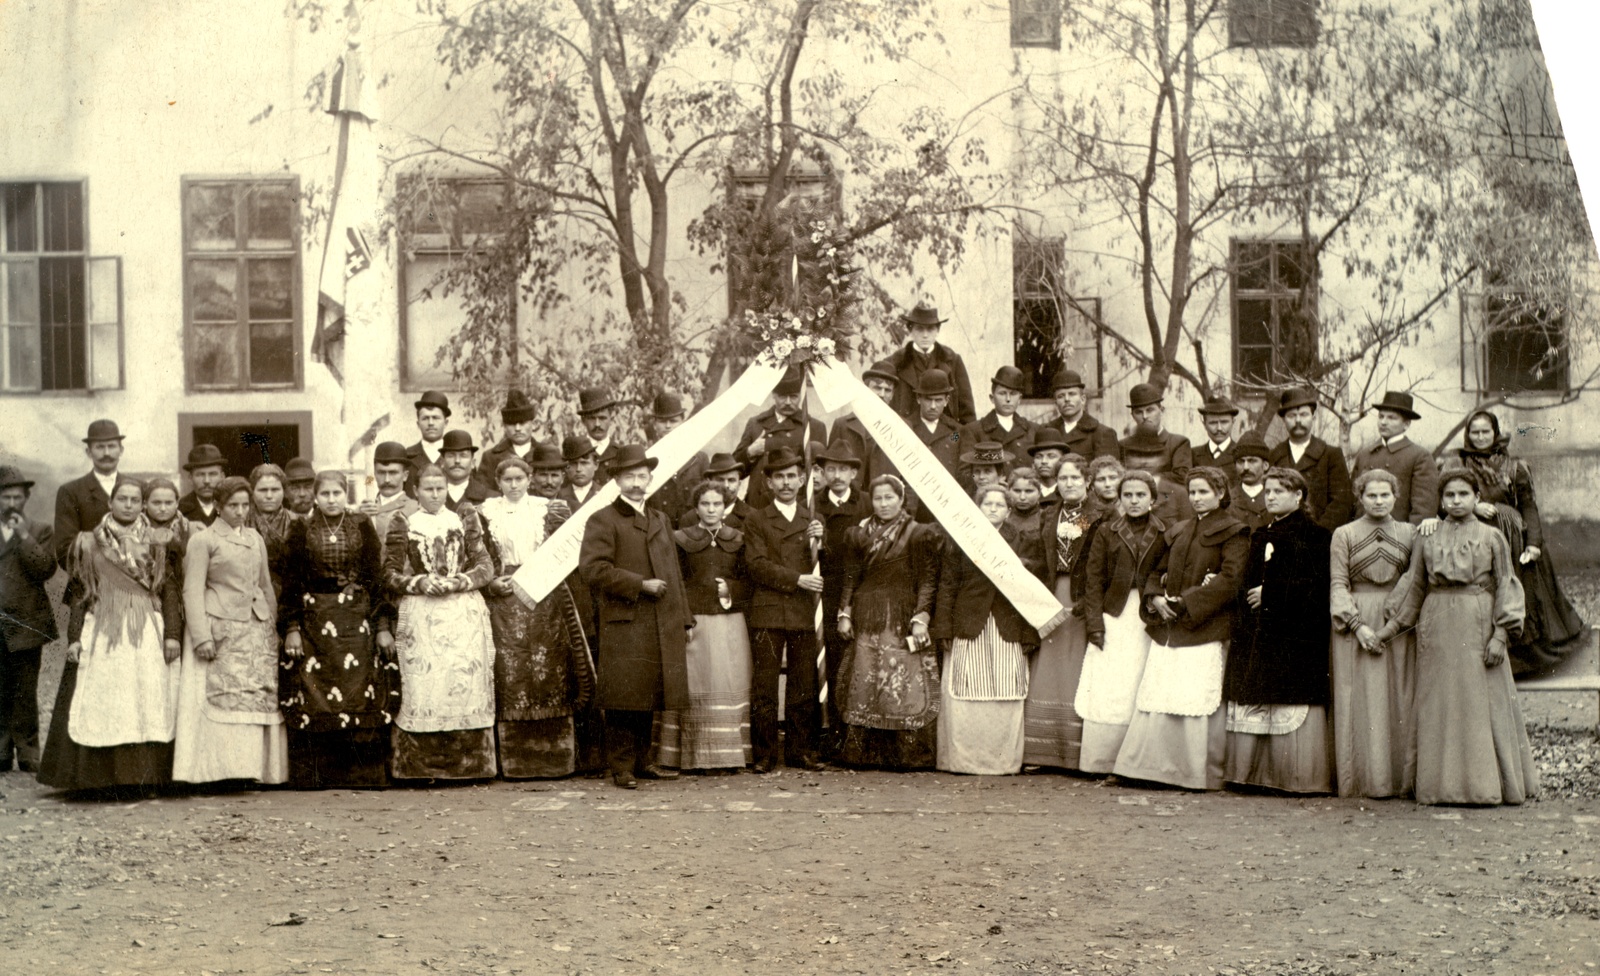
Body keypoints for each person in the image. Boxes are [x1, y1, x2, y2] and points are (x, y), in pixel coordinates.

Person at [1377, 467, 1537, 806]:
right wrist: (1391, 628)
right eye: (1449, 495)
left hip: (1477, 619)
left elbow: (1507, 583)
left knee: (1480, 702)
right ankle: (1437, 787)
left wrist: (1501, 635)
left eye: (1464, 494)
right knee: (1439, 703)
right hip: (1437, 623)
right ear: (1441, 500)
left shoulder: (1493, 537)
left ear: (1478, 498)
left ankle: (1487, 786)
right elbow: (1415, 584)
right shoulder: (1428, 536)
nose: (1456, 500)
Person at [37, 478, 182, 792]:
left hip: (146, 629)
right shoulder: (90, 542)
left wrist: (172, 634)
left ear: (142, 504)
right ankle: (99, 779)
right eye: (122, 499)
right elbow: (81, 592)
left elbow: (169, 589)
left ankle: (144, 777)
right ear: (111, 502)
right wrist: (74, 638)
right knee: (104, 699)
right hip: (103, 627)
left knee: (146, 699)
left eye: (134, 499)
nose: (128, 505)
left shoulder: (157, 540)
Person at [1113, 467, 1249, 790]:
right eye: (1193, 492)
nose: (1197, 498)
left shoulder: (1235, 532)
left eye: (1204, 492)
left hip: (1205, 625)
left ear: (1220, 494)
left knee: (1195, 695)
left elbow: (1231, 581)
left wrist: (1185, 602)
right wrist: (1155, 598)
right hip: (1169, 626)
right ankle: (1151, 767)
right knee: (1161, 692)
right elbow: (1154, 570)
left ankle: (1192, 771)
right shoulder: (1177, 530)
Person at [579, 445, 694, 788]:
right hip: (625, 620)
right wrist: (639, 584)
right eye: (628, 476)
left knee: (650, 695)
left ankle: (644, 761)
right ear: (616, 480)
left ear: (650, 479)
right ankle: (622, 767)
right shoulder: (602, 519)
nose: (635, 483)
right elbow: (593, 570)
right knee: (623, 698)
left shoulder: (660, 519)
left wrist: (685, 619)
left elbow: (674, 573)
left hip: (660, 621)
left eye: (641, 476)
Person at [279, 471, 397, 789]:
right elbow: (291, 581)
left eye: (338, 493)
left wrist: (382, 626)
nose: (332, 500)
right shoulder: (301, 529)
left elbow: (375, 579)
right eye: (325, 494)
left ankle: (362, 775)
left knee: (359, 691)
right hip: (314, 622)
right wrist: (292, 627)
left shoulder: (361, 525)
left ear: (346, 495)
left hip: (357, 622)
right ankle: (317, 777)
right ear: (316, 497)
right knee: (317, 693)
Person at [478, 455, 594, 779]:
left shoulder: (550, 509)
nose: (513, 485)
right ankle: (514, 760)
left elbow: (568, 555)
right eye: (507, 480)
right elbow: (480, 555)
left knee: (551, 668)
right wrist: (491, 582)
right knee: (510, 670)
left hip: (547, 596)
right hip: (505, 599)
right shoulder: (486, 512)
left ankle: (557, 756)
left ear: (529, 479)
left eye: (519, 479)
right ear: (498, 482)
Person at [1223, 467, 1335, 794]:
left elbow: (1318, 587)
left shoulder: (1315, 535)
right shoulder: (1260, 534)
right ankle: (1253, 775)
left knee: (1288, 696)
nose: (1270, 496)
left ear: (1298, 496)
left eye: (1278, 491)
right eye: (1267, 491)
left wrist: (1271, 594)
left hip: (1294, 634)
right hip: (1258, 632)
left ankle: (1293, 778)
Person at [384, 464, 498, 781]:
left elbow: (485, 566)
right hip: (422, 613)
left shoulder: (464, 518)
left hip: (463, 612)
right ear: (416, 491)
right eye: (428, 489)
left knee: (465, 682)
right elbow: (388, 573)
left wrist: (460, 581)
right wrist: (418, 583)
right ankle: (421, 768)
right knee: (424, 685)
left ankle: (470, 766)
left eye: (440, 488)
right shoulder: (404, 521)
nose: (435, 494)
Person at [173, 477, 288, 786]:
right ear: (220, 508)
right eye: (232, 506)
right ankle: (219, 771)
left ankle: (250, 770)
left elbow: (265, 586)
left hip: (255, 628)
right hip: (218, 625)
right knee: (221, 697)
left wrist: (272, 626)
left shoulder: (255, 538)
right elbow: (192, 591)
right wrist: (201, 637)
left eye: (244, 505)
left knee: (253, 698)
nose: (240, 512)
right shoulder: (204, 539)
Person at [1454, 409, 1585, 675]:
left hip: (1515, 543)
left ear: (1495, 433)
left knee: (1519, 597)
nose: (1480, 437)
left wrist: (1533, 544)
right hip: (1473, 540)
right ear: (1468, 435)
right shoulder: (1457, 466)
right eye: (1474, 432)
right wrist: (1474, 508)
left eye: (1485, 432)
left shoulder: (1515, 467)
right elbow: (1444, 502)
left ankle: (1521, 668)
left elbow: (1528, 506)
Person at [835, 474, 942, 769]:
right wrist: (845, 612)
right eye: (878, 498)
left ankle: (906, 757)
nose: (883, 504)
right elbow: (850, 577)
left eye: (889, 498)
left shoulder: (919, 534)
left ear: (901, 499)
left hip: (901, 617)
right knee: (865, 683)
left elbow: (928, 581)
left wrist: (922, 616)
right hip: (866, 617)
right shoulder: (858, 534)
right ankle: (862, 756)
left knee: (902, 684)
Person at [934, 484, 1041, 775]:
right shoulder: (961, 538)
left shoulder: (1021, 540)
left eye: (999, 505)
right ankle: (962, 760)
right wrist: (943, 625)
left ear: (1008, 511)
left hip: (1007, 625)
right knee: (965, 687)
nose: (993, 509)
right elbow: (947, 584)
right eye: (987, 504)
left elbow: (1032, 590)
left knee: (1006, 688)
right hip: (969, 623)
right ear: (977, 508)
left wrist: (1030, 631)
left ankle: (1003, 761)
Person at [1328, 468, 1417, 799]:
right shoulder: (1344, 534)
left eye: (1385, 495)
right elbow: (1338, 583)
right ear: (1360, 497)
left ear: (1396, 496)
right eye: (1371, 495)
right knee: (1359, 697)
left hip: (1398, 620)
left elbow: (1414, 580)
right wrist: (1357, 625)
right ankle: (1360, 780)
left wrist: (1393, 623)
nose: (1379, 501)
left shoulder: (1411, 532)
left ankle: (1400, 780)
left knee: (1399, 696)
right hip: (1355, 621)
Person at [661, 481, 754, 774]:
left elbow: (751, 580)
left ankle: (729, 756)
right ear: (696, 507)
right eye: (705, 504)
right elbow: (675, 583)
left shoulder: (738, 539)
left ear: (725, 506)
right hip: (696, 623)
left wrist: (731, 590)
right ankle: (693, 755)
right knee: (696, 682)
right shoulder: (681, 539)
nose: (711, 510)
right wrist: (684, 619)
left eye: (717, 504)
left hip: (730, 623)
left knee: (729, 681)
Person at [743, 447, 827, 772]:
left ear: (802, 478)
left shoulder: (813, 520)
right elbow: (756, 564)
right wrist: (797, 579)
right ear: (768, 482)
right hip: (768, 612)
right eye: (779, 476)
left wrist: (823, 543)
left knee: (802, 684)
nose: (787, 482)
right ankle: (765, 754)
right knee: (765, 686)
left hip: (804, 613)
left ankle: (799, 750)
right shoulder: (756, 519)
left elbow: (826, 567)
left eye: (792, 476)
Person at [1077, 471, 1164, 773]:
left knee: (1141, 682)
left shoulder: (1165, 531)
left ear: (1152, 499)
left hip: (1147, 616)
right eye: (1128, 495)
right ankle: (1102, 760)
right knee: (1111, 685)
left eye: (1141, 495)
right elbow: (1093, 580)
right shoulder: (1106, 531)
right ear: (1120, 498)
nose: (1134, 501)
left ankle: (1138, 761)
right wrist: (1095, 624)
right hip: (1114, 613)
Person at [1024, 454, 1100, 770]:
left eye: (1074, 478)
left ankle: (1074, 754)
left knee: (1076, 668)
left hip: (1083, 596)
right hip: (1053, 593)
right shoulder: (1048, 515)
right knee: (1048, 669)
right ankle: (1041, 753)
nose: (1068, 484)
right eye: (1063, 478)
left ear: (1088, 482)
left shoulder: (1099, 515)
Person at [0, 466, 55, 773]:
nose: (11, 503)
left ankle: (28, 750)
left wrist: (23, 535)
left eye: (17, 497)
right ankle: (1, 748)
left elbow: (45, 568)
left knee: (25, 687)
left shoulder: (40, 529)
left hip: (27, 620)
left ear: (26, 498)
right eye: (5, 497)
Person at [813, 444, 868, 744]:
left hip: (862, 593)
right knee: (829, 664)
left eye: (843, 469)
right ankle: (829, 735)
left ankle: (857, 737)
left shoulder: (868, 503)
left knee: (860, 664)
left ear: (854, 473)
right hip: (825, 592)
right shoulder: (812, 504)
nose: (836, 476)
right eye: (830, 469)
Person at [732, 367, 826, 511]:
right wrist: (750, 452)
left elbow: (818, 473)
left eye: (794, 396)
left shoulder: (813, 427)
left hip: (796, 504)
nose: (788, 402)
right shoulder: (756, 423)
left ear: (800, 396)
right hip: (758, 505)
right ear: (773, 395)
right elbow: (736, 469)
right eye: (783, 396)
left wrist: (770, 444)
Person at [55, 419, 126, 606]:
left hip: (132, 588)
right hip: (87, 589)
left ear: (121, 450)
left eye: (112, 446)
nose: (107, 453)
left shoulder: (137, 489)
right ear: (88, 452)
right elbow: (64, 549)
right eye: (99, 447)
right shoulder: (71, 492)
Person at [1266, 387, 1354, 531]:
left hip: (1319, 542)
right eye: (1292, 415)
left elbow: (1341, 503)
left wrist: (1316, 536)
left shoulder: (1331, 456)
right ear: (1284, 420)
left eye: (1304, 414)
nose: (1298, 420)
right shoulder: (1274, 456)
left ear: (1313, 417)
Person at [829, 359, 913, 504]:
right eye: (877, 388)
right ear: (866, 389)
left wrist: (907, 508)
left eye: (887, 390)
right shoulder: (842, 425)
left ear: (892, 395)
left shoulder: (903, 427)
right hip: (850, 505)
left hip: (885, 504)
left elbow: (910, 476)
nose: (882, 394)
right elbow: (829, 468)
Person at [1351, 391, 1440, 526]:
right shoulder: (1365, 454)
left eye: (1392, 418)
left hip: (1398, 538)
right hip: (1362, 535)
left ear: (1406, 424)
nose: (1384, 422)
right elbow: (1352, 501)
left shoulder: (1420, 456)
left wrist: (1410, 540)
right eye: (1381, 417)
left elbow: (1423, 510)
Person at [888, 302, 977, 425]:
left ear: (937, 331)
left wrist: (955, 440)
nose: (925, 335)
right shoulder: (895, 362)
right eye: (919, 329)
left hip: (946, 439)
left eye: (930, 329)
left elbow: (967, 417)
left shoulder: (952, 361)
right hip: (907, 436)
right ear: (911, 330)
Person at [1118, 383, 1194, 524]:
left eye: (1150, 410)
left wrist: (1140, 476)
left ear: (1161, 409)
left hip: (1166, 509)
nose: (1145, 416)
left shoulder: (1178, 442)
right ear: (1132, 415)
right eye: (1139, 412)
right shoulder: (1123, 445)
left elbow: (1181, 476)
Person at [906, 368, 965, 519]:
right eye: (928, 399)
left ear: (946, 401)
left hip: (948, 508)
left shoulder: (955, 432)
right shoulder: (905, 427)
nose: (933, 406)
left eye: (938, 400)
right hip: (914, 508)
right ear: (919, 399)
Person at [645, 392, 708, 526]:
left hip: (692, 534)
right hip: (659, 534)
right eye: (662, 421)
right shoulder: (646, 459)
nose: (668, 426)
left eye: (673, 421)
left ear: (682, 422)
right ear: (655, 424)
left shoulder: (699, 459)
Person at [1038, 368, 1120, 461]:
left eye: (1072, 394)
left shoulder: (1102, 433)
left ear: (1083, 399)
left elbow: (1106, 472)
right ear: (1056, 403)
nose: (1067, 399)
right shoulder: (1047, 431)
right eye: (1061, 396)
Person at [360, 441, 420, 563]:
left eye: (393, 473)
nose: (387, 480)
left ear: (405, 476)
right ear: (375, 475)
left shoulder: (415, 509)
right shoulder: (362, 510)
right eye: (381, 473)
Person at [959, 366, 1035, 461]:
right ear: (992, 398)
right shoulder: (973, 431)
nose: (1008, 399)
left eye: (1013, 394)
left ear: (1019, 399)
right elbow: (965, 472)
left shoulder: (1033, 430)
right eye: (1002, 393)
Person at [247, 463, 295, 599]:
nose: (269, 495)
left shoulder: (297, 522)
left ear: (284, 491)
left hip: (288, 595)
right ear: (252, 491)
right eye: (262, 490)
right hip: (251, 593)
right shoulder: (241, 521)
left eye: (275, 490)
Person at [476, 389, 542, 486]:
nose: (518, 428)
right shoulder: (491, 457)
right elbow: (483, 491)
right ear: (505, 426)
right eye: (512, 424)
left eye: (523, 423)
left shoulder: (545, 453)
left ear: (533, 424)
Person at [404, 390, 452, 495]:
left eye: (435, 418)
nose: (430, 423)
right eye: (425, 418)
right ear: (418, 423)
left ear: (446, 422)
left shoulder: (457, 456)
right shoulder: (406, 456)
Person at [575, 388, 623, 486]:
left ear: (611, 419)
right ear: (583, 421)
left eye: (602, 418)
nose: (597, 424)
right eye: (592, 418)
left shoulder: (621, 454)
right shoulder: (574, 453)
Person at [439, 429, 494, 512]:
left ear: (473, 463)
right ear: (442, 462)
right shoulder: (430, 496)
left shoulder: (490, 498)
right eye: (451, 455)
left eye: (463, 455)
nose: (457, 460)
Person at [1229, 432, 1273, 532]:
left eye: (1252, 461)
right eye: (1241, 461)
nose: (1246, 467)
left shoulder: (1275, 498)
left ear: (1265, 465)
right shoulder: (1227, 500)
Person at [178, 444, 228, 527]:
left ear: (222, 477)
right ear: (190, 478)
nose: (206, 481)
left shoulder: (233, 507)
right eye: (200, 475)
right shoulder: (179, 510)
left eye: (212, 474)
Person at [1193, 396, 1241, 468]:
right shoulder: (1193, 454)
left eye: (1224, 422)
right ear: (1204, 424)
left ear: (1233, 422)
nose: (1219, 428)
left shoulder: (1241, 454)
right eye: (1213, 423)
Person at [560, 435, 602, 510]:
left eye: (584, 463)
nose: (578, 469)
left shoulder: (605, 494)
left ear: (596, 465)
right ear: (566, 467)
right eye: (573, 463)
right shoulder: (558, 495)